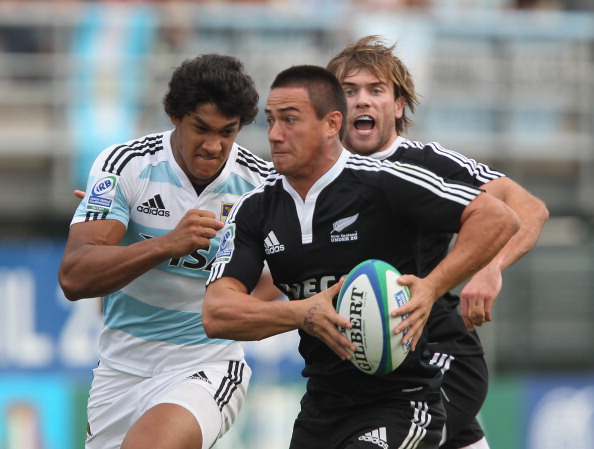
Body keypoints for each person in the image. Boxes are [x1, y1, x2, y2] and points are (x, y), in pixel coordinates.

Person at [203, 64, 519, 449]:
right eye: (270, 120)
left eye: (290, 120)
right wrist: (301, 313)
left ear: (331, 123)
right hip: (321, 407)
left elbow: (497, 216)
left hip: (402, 400)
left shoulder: (384, 182)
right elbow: (217, 313)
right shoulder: (254, 208)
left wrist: (432, 287)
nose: (274, 135)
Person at [326, 35, 549, 449]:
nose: (362, 101)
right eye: (349, 91)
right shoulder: (316, 181)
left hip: (439, 354)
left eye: (376, 90)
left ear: (397, 105)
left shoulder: (430, 163)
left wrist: (489, 268)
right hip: (364, 368)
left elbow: (530, 208)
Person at [58, 54, 271, 449]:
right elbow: (74, 277)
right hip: (120, 369)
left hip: (206, 364)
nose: (213, 146)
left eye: (228, 132)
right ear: (174, 114)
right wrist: (166, 244)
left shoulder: (260, 186)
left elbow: (279, 279)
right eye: (201, 128)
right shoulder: (125, 165)